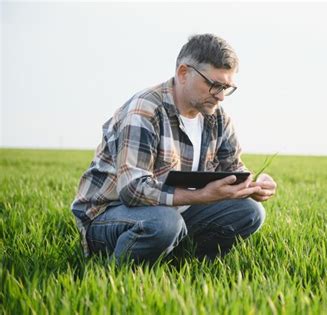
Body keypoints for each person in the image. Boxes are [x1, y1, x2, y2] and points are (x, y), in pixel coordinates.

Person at [71, 34, 277, 264]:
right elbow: (133, 190)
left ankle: (181, 264)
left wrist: (252, 185)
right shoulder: (145, 109)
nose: (220, 96)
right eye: (214, 85)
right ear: (183, 73)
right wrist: (201, 196)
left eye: (227, 88)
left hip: (175, 212)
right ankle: (115, 274)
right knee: (164, 223)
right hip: (110, 215)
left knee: (250, 212)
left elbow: (232, 169)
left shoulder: (217, 117)